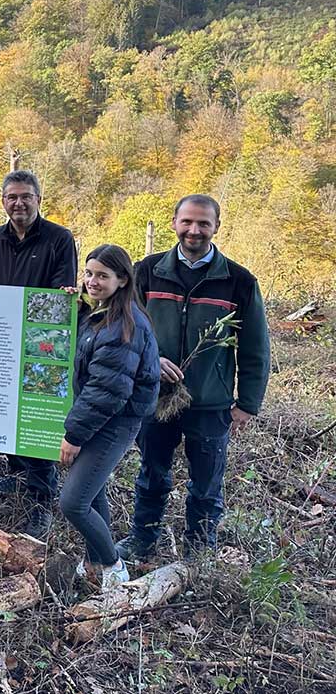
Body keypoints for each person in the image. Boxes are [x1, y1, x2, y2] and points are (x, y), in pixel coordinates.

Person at [118, 195, 271, 560]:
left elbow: (255, 348)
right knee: (151, 474)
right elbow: (125, 328)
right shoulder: (148, 271)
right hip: (155, 397)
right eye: (187, 221)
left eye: (203, 223)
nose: (194, 230)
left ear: (216, 226)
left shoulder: (238, 280)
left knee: (206, 484)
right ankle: (143, 541)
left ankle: (199, 553)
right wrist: (153, 360)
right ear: (174, 223)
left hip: (211, 403)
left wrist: (247, 404)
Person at [0, 169, 77, 537]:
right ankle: (16, 477)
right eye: (12, 197)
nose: (19, 203)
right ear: (3, 201)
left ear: (38, 199)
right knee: (4, 412)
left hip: (41, 346)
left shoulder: (59, 239)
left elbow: (60, 295)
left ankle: (41, 499)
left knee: (37, 419)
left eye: (26, 196)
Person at [60, 244, 159, 589]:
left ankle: (114, 569)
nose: (92, 281)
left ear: (122, 279)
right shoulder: (101, 315)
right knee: (93, 491)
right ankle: (92, 563)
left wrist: (74, 436)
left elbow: (108, 390)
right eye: (89, 273)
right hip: (101, 417)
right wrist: (72, 309)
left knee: (73, 502)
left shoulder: (123, 325)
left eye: (102, 275)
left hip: (115, 422)